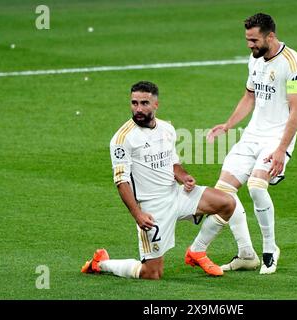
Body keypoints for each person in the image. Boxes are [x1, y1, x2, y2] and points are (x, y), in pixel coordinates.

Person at [81, 81, 235, 279]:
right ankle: (101, 264)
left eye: (144, 103)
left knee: (227, 203)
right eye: (134, 103)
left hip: (177, 196)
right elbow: (121, 181)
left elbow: (172, 163)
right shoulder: (122, 139)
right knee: (151, 273)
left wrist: (184, 177)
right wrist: (138, 214)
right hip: (152, 208)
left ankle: (197, 251)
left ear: (156, 105)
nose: (138, 108)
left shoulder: (166, 128)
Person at [207, 13, 297, 274]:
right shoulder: (255, 60)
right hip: (251, 136)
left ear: (270, 36)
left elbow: (296, 111)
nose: (249, 45)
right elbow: (249, 97)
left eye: (253, 40)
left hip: (276, 138)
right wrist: (228, 125)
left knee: (256, 187)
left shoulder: (291, 63)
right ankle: (245, 254)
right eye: (247, 40)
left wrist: (281, 150)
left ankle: (270, 249)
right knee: (223, 194)